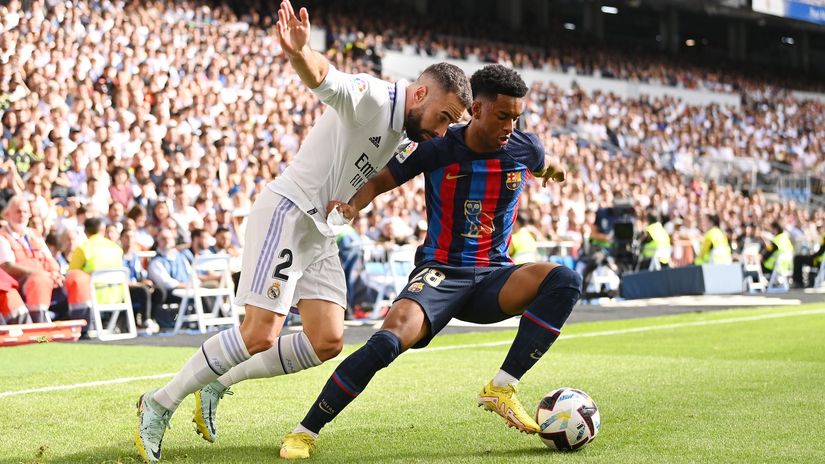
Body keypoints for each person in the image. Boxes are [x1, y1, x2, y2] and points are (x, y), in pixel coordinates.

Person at [134, 1, 472, 461]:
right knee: (259, 333)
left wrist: (351, 204)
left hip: (321, 230)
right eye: (444, 117)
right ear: (419, 95)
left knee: (327, 339)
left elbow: (366, 172)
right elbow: (326, 79)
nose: (443, 129)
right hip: (288, 213)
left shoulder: (404, 128)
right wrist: (300, 52)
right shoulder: (374, 97)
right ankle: (157, 403)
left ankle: (217, 383)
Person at [279, 64, 579, 459]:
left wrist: (552, 170)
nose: (511, 125)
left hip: (494, 278)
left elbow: (542, 163)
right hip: (440, 274)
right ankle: (305, 431)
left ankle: (502, 387)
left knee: (565, 281)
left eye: (517, 117)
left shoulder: (525, 147)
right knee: (385, 343)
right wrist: (352, 206)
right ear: (477, 110)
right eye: (503, 115)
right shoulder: (439, 147)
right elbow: (380, 180)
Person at [0, 196, 90, 324]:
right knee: (39, 280)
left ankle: (83, 328)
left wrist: (55, 273)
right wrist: (39, 273)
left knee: (79, 277)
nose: (22, 215)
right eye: (18, 211)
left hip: (48, 279)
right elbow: (7, 266)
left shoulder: (34, 234)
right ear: (7, 214)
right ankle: (41, 333)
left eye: (25, 211)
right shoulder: (2, 237)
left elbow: (49, 259)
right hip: (25, 284)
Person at [67, 217, 125, 328]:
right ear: (102, 230)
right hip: (118, 295)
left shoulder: (83, 248)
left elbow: (72, 274)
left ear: (85, 232)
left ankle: (80, 328)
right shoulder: (116, 248)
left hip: (93, 296)